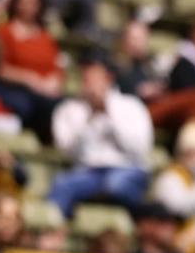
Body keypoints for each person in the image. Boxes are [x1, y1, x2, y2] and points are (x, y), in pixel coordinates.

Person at [47, 54, 153, 217]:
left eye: (94, 77)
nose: (88, 82)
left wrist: (108, 112)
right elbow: (67, 152)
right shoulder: (68, 109)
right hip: (86, 172)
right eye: (85, 77)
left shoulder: (131, 106)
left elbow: (139, 149)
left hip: (126, 169)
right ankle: (53, 234)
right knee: (61, 184)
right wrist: (90, 118)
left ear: (108, 78)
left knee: (116, 184)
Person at [0, 0, 63, 142]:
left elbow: (56, 68)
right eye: (24, 1)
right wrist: (29, 79)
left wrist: (53, 81)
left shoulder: (46, 37)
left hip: (45, 93)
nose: (28, 6)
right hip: (16, 90)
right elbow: (0, 70)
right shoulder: (4, 32)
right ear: (15, 4)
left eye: (33, 2)